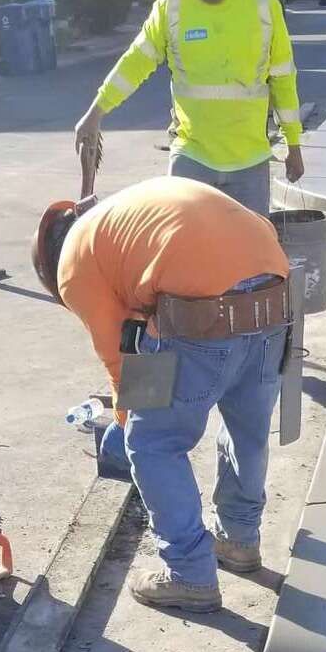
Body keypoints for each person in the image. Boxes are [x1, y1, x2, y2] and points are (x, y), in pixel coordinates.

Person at [32, 177, 291, 613]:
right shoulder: (129, 215)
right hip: (273, 298)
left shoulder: (74, 263)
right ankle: (239, 539)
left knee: (155, 446)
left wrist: (127, 421)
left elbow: (118, 357)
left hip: (201, 314)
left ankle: (190, 575)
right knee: (247, 430)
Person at [73, 0, 304, 218]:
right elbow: (135, 62)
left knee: (252, 251)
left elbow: (283, 80)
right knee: (184, 248)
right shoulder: (171, 8)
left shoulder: (264, 7)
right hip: (191, 160)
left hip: (249, 165)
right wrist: (96, 112)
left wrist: (293, 145)